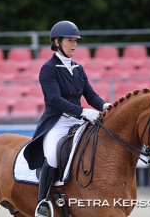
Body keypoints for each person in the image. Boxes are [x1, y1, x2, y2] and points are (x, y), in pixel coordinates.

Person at [24, 20, 111, 217]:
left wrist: (106, 106)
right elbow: (54, 99)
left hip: (79, 121)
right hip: (57, 121)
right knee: (53, 156)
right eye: (70, 41)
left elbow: (91, 96)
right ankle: (43, 203)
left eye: (76, 41)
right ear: (57, 42)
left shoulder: (78, 68)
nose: (74, 45)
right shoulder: (49, 68)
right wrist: (83, 112)